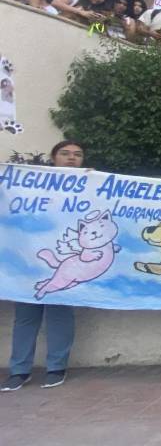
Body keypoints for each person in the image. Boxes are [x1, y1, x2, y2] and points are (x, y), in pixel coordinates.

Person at [1, 141, 86, 392]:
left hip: (65, 263)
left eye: (77, 155)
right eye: (66, 154)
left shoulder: (91, 187)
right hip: (27, 261)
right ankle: (19, 371)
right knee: (25, 317)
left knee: (60, 315)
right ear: (53, 157)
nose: (72, 158)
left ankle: (56, 367)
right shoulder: (29, 183)